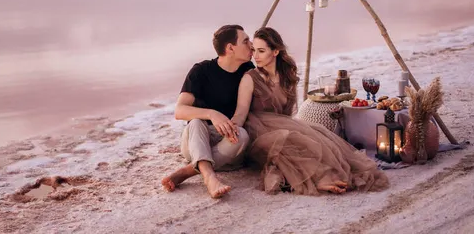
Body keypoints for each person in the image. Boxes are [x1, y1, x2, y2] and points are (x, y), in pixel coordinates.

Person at [231, 27, 390, 195]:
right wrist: (231, 128)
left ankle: (331, 173)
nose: (255, 56)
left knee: (316, 138)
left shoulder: (286, 77)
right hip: (258, 131)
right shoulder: (250, 78)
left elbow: (287, 114)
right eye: (254, 50)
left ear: (276, 51)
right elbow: (240, 113)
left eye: (261, 51)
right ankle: (319, 179)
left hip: (283, 124)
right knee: (290, 142)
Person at [161, 24, 255, 198]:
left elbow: (242, 111)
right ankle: (209, 177)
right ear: (230, 48)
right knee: (196, 122)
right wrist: (212, 114)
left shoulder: (247, 70)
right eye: (246, 41)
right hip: (197, 141)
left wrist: (230, 128)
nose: (252, 45)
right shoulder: (201, 71)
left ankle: (187, 171)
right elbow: (180, 111)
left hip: (227, 145)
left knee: (242, 135)